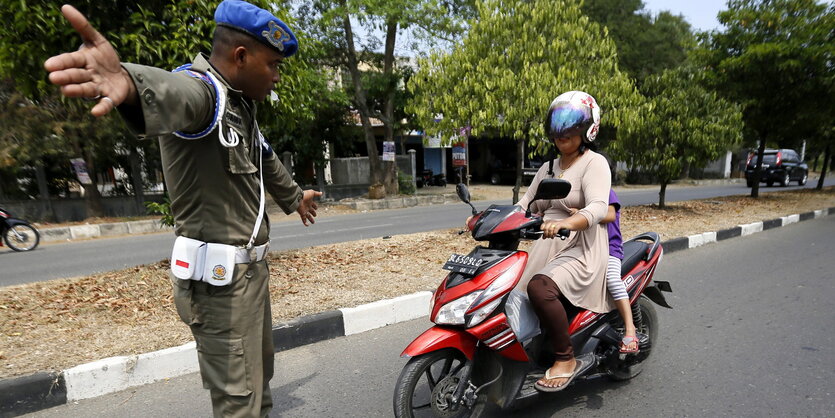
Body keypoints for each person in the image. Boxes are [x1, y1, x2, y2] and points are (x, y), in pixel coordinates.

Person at [44, 2, 321, 416]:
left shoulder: (239, 104)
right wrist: (128, 82)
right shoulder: (203, 91)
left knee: (259, 386)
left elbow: (262, 156)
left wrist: (295, 197)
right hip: (220, 287)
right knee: (238, 402)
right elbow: (174, 94)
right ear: (240, 57)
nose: (278, 76)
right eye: (274, 64)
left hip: (250, 277)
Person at [515, 91, 613, 392]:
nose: (562, 138)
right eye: (558, 131)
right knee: (510, 289)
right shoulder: (547, 168)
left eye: (570, 131)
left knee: (539, 288)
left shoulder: (594, 163)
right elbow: (525, 204)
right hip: (547, 244)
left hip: (582, 246)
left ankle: (566, 358)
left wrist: (567, 222)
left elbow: (598, 207)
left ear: (588, 130)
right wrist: (487, 219)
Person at [569, 189, 639, 354]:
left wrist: (580, 213)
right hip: (585, 249)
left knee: (612, 280)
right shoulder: (578, 192)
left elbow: (609, 215)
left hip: (609, 250)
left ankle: (630, 328)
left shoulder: (605, 191)